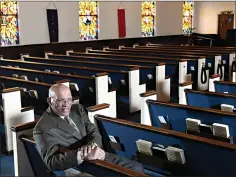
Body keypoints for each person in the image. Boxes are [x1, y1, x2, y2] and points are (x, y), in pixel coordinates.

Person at [33, 84, 144, 176]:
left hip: (97, 153)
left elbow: (93, 131)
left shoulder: (78, 109)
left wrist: (92, 146)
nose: (66, 105)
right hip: (79, 165)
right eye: (61, 100)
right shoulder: (43, 127)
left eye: (69, 99)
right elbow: (51, 162)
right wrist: (82, 154)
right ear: (49, 100)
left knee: (136, 167)